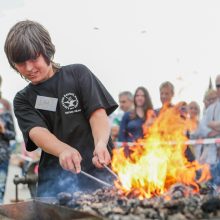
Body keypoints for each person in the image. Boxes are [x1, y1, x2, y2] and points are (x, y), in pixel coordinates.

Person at [4, 20, 118, 197]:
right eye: (20, 63)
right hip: (55, 182)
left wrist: (101, 143)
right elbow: (37, 132)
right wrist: (63, 150)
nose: (29, 68)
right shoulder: (23, 99)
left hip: (99, 172)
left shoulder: (77, 74)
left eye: (34, 58)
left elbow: (97, 114)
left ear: (47, 51)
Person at [0, 103, 16, 203]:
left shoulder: (6, 114)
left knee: (1, 185)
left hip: (3, 157)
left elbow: (13, 135)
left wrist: (3, 130)